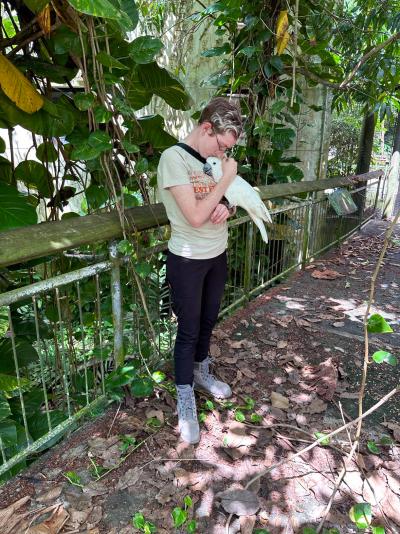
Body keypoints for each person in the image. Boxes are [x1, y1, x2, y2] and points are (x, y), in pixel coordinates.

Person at [157, 97, 243, 444]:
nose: (224, 155)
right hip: (188, 258)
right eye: (223, 146)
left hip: (216, 253)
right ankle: (184, 396)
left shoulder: (215, 160)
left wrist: (229, 205)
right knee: (189, 329)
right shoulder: (173, 159)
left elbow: (224, 200)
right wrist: (226, 180)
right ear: (207, 129)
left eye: (228, 151)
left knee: (209, 319)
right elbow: (193, 215)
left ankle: (201, 371)